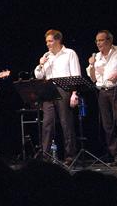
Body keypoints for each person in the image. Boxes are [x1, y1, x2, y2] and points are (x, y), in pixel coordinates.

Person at [86, 30, 117, 167]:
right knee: (108, 125)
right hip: (102, 92)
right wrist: (91, 64)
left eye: (101, 40)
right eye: (96, 41)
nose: (98, 43)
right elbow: (93, 78)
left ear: (109, 40)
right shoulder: (96, 56)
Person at [34, 29, 80, 165]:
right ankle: (46, 156)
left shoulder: (69, 53)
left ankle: (70, 156)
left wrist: (74, 93)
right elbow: (38, 76)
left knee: (66, 122)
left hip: (64, 89)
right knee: (47, 123)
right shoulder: (47, 56)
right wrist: (41, 63)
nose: (47, 44)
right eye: (46, 41)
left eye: (50, 41)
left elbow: (76, 75)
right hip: (48, 90)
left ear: (58, 40)